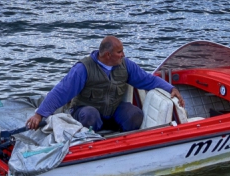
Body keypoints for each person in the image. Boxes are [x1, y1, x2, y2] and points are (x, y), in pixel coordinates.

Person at [26, 35, 185, 132]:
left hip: (113, 111)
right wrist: (40, 115)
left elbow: (147, 80)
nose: (123, 54)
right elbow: (61, 91)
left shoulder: (126, 65)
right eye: (119, 52)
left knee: (134, 114)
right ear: (108, 55)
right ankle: (90, 140)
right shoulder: (83, 68)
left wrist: (171, 88)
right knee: (90, 115)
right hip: (85, 111)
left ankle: (124, 141)